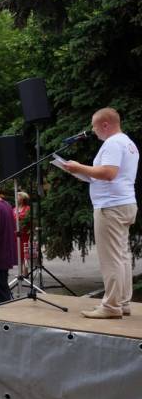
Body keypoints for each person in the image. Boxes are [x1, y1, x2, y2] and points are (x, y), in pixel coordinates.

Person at [63, 107, 139, 319]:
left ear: (105, 124)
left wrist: (79, 166)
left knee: (111, 258)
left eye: (94, 126)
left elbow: (108, 173)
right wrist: (79, 172)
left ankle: (111, 306)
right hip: (124, 203)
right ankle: (122, 302)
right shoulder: (128, 143)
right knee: (122, 256)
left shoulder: (113, 143)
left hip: (110, 207)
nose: (93, 131)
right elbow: (109, 175)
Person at [15, 192, 31, 276]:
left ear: (23, 199)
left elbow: (27, 220)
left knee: (25, 252)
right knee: (18, 252)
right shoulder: (14, 209)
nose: (16, 198)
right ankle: (20, 271)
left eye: (18, 197)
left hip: (25, 234)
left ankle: (26, 270)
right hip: (16, 233)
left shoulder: (27, 208)